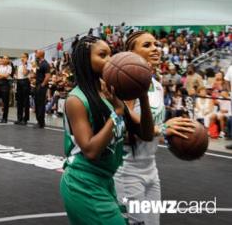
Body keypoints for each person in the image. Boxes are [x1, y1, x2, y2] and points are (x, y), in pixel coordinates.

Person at [60, 35, 154, 225]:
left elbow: (146, 133)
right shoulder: (76, 100)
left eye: (111, 54)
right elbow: (91, 150)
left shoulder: (110, 94)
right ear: (86, 61)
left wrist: (142, 96)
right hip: (82, 183)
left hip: (104, 181)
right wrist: (117, 113)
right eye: (102, 55)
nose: (110, 60)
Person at [114, 31, 195, 225]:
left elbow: (154, 129)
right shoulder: (125, 84)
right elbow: (120, 131)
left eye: (156, 44)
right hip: (127, 170)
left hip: (150, 168)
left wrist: (175, 135)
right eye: (147, 45)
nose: (155, 49)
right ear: (131, 53)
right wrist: (161, 129)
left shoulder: (157, 85)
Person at [34, 50, 50, 128]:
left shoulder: (45, 64)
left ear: (41, 54)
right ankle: (38, 121)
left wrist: (42, 85)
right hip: (37, 85)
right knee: (37, 103)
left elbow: (47, 76)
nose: (36, 54)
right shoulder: (39, 63)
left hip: (41, 86)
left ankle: (41, 122)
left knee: (40, 104)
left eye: (37, 53)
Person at [15, 53, 31, 125]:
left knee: (25, 101)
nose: (22, 58)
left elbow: (25, 73)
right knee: (19, 101)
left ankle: (25, 118)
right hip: (19, 82)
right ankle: (19, 118)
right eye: (21, 57)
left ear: (27, 58)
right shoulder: (19, 65)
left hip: (25, 82)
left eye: (24, 57)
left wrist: (25, 64)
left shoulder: (28, 65)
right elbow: (18, 75)